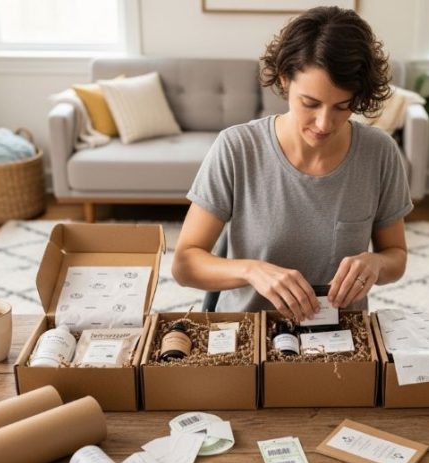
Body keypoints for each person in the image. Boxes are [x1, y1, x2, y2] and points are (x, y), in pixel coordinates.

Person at [172, 6, 413, 322]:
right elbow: (185, 264)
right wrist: (251, 270)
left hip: (343, 339)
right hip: (248, 335)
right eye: (310, 103)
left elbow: (396, 256)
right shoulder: (237, 148)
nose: (324, 123)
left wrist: (376, 264)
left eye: (343, 106)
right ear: (285, 80)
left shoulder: (380, 153)